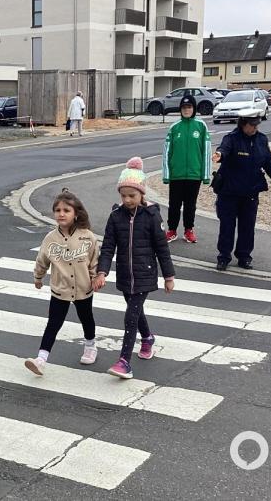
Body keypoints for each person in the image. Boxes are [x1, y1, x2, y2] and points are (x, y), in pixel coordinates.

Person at [94, 157, 175, 379]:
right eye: (124, 195)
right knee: (136, 311)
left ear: (141, 194)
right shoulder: (115, 217)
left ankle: (124, 362)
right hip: (125, 274)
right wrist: (102, 272)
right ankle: (147, 338)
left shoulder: (152, 216)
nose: (127, 200)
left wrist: (168, 276)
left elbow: (162, 248)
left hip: (144, 274)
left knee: (130, 316)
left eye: (132, 195)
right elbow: (108, 246)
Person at [25, 189, 99, 375]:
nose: (61, 214)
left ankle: (90, 346)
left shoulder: (87, 236)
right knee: (53, 323)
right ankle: (41, 359)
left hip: (83, 288)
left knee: (86, 318)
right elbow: (42, 260)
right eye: (57, 210)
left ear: (76, 213)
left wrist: (95, 277)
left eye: (66, 210)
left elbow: (93, 261)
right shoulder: (50, 239)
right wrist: (38, 277)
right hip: (60, 289)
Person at [211, 109, 271, 271]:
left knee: (247, 226)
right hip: (229, 191)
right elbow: (224, 149)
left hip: (251, 191)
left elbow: (268, 162)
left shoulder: (261, 139)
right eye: (252, 125)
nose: (255, 128)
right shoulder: (231, 138)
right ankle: (224, 256)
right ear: (243, 124)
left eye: (256, 125)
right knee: (227, 226)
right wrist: (220, 155)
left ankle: (244, 256)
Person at [162, 94, 211, 244]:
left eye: (189, 107)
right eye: (184, 107)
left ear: (194, 108)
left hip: (194, 174)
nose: (186, 110)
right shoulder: (174, 127)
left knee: (190, 205)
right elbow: (166, 151)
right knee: (174, 204)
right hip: (176, 174)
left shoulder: (201, 126)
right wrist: (166, 174)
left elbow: (206, 151)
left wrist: (205, 175)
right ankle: (172, 230)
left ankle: (189, 230)